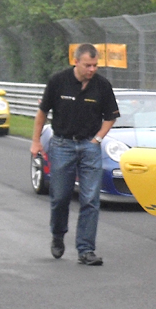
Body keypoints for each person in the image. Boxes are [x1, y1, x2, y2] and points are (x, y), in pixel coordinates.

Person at [30, 43, 119, 265]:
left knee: (90, 199)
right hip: (62, 145)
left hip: (89, 146)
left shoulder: (102, 86)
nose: (92, 69)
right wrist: (35, 141)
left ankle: (86, 249)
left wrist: (98, 138)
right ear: (76, 61)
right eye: (88, 65)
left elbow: (111, 116)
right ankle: (58, 235)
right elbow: (42, 113)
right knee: (60, 197)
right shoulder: (58, 81)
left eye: (95, 65)